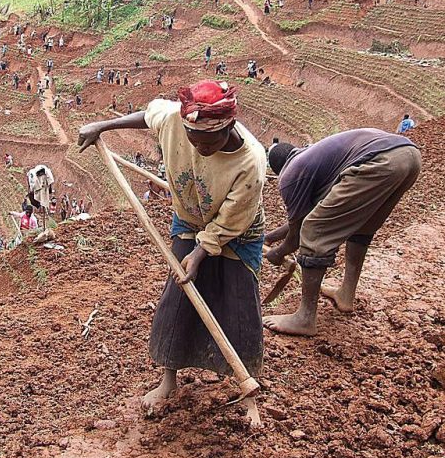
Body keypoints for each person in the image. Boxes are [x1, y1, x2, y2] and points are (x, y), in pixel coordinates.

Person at [77, 80, 267, 424]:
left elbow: (228, 223)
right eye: (193, 139)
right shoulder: (177, 121)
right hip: (190, 218)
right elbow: (150, 114)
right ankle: (168, 380)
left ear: (228, 128)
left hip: (237, 231)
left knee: (238, 306)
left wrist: (198, 254)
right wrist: (102, 126)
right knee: (178, 300)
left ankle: (245, 394)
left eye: (208, 142)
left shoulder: (250, 162)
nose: (198, 147)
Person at [264, 129, 421, 336]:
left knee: (315, 229)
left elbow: (299, 232)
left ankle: (304, 318)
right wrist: (268, 238)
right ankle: (346, 295)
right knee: (361, 225)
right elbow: (301, 218)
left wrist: (278, 252)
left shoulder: (290, 176)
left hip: (380, 161)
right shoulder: (311, 159)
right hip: (407, 155)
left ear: (276, 170)